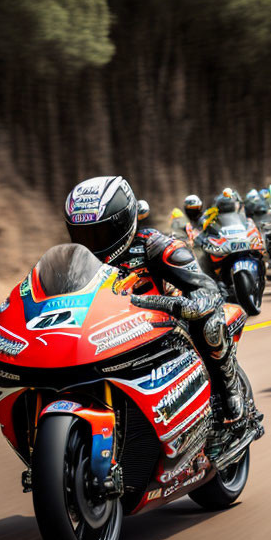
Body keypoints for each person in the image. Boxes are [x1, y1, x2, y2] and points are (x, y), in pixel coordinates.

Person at [64, 176, 247, 423]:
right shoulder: (76, 262)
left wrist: (192, 304)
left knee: (209, 325)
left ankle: (229, 388)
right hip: (106, 335)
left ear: (124, 222)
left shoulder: (154, 244)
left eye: (101, 232)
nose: (92, 243)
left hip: (166, 330)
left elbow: (204, 286)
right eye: (83, 234)